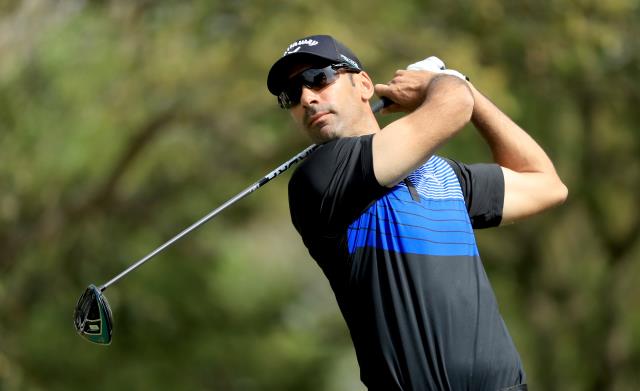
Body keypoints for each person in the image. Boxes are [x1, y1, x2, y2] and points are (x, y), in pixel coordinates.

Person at [266, 34, 567, 391]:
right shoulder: (320, 177)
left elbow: (546, 184)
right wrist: (447, 83)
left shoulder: (442, 174)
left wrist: (471, 94)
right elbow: (451, 109)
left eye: (318, 77)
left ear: (363, 84)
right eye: (291, 95)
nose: (307, 98)